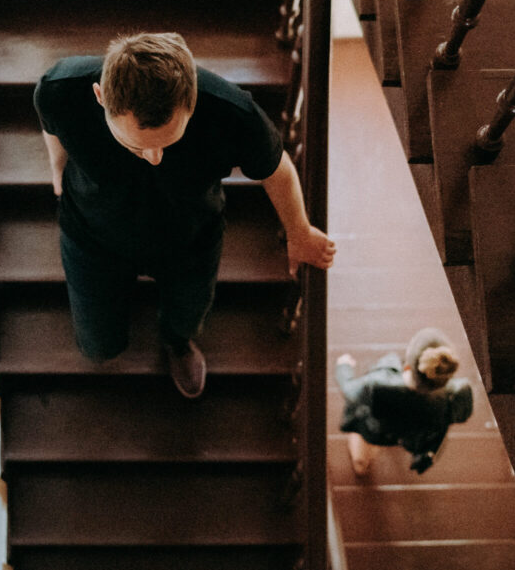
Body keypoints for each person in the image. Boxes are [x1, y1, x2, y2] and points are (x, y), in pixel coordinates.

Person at [33, 32, 335, 399]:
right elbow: (53, 126)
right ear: (100, 97)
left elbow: (278, 170)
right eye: (136, 145)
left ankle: (177, 343)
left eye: (167, 142)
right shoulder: (61, 89)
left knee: (188, 314)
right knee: (98, 344)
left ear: (192, 102)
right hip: (93, 237)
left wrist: (299, 232)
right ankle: (109, 343)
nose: (155, 157)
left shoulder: (232, 111)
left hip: (190, 238)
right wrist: (56, 168)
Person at [335, 327, 474, 475]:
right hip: (409, 435)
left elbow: (348, 389)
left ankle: (360, 463)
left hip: (377, 429)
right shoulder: (455, 397)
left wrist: (344, 366)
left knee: (366, 439)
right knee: (395, 435)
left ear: (408, 365)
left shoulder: (377, 385)